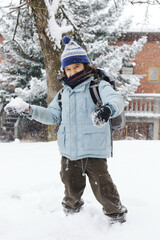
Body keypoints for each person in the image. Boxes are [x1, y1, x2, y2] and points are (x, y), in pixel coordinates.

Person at [5, 36, 127, 224]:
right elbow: (52, 115)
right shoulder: (64, 94)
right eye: (68, 69)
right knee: (71, 187)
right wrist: (28, 109)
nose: (72, 72)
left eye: (76, 67)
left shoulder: (98, 85)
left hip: (94, 150)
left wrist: (107, 109)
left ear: (86, 66)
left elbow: (117, 99)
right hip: (69, 152)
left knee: (104, 188)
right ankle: (71, 216)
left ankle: (117, 217)